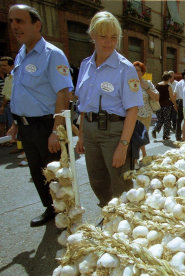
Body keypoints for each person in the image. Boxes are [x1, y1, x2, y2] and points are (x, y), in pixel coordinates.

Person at [7, 4, 73, 227]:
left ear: (37, 25)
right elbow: (21, 92)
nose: (14, 26)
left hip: (47, 126)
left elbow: (63, 93)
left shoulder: (52, 55)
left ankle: (68, 213)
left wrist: (56, 130)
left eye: (20, 21)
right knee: (38, 173)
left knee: (57, 174)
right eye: (11, 21)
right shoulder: (21, 55)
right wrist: (16, 123)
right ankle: (51, 209)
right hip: (26, 126)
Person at [75, 11, 143, 211]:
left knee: (121, 181)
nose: (109, 42)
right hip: (89, 130)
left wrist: (123, 146)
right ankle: (108, 214)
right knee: (96, 179)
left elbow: (133, 109)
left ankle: (125, 222)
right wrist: (80, 134)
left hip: (114, 131)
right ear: (92, 35)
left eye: (114, 37)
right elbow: (83, 103)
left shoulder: (125, 68)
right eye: (103, 36)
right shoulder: (85, 65)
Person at [134, 61, 159, 166]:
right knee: (134, 137)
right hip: (132, 115)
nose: (135, 72)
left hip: (145, 114)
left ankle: (143, 154)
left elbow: (156, 97)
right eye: (133, 70)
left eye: (138, 70)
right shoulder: (127, 84)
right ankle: (136, 158)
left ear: (142, 72)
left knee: (142, 136)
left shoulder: (148, 83)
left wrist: (146, 88)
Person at [151, 72, 177, 140]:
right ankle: (165, 135)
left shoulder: (157, 85)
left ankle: (155, 129)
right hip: (166, 105)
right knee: (167, 120)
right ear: (168, 78)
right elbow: (171, 97)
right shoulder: (168, 87)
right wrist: (175, 104)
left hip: (158, 105)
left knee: (160, 119)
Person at [0, 57, 16, 144]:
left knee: (18, 125)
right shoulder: (7, 78)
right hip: (10, 104)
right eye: (1, 66)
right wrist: (2, 106)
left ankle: (22, 148)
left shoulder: (17, 76)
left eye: (5, 65)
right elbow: (6, 94)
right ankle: (17, 145)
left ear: (12, 66)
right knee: (11, 126)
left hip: (18, 104)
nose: (2, 68)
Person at [174, 69, 185, 141]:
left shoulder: (178, 83)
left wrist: (175, 104)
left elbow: (175, 94)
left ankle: (178, 136)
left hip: (180, 101)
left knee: (179, 120)